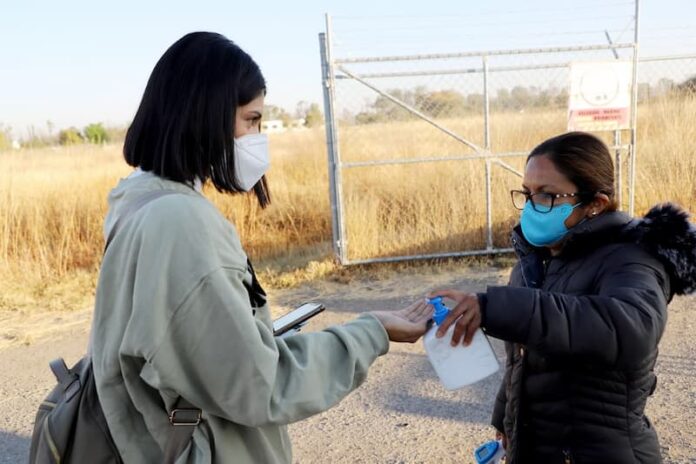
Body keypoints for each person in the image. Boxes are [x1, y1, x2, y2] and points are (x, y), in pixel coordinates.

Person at [90, 32, 432, 464]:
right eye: (251, 120)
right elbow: (259, 384)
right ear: (205, 115)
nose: (257, 136)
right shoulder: (179, 223)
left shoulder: (139, 202)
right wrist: (372, 331)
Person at [429, 132, 696, 463]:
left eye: (547, 196)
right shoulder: (537, 262)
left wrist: (496, 307)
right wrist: (505, 421)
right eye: (527, 194)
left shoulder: (630, 259)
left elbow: (632, 328)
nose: (531, 206)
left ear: (595, 204)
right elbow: (523, 361)